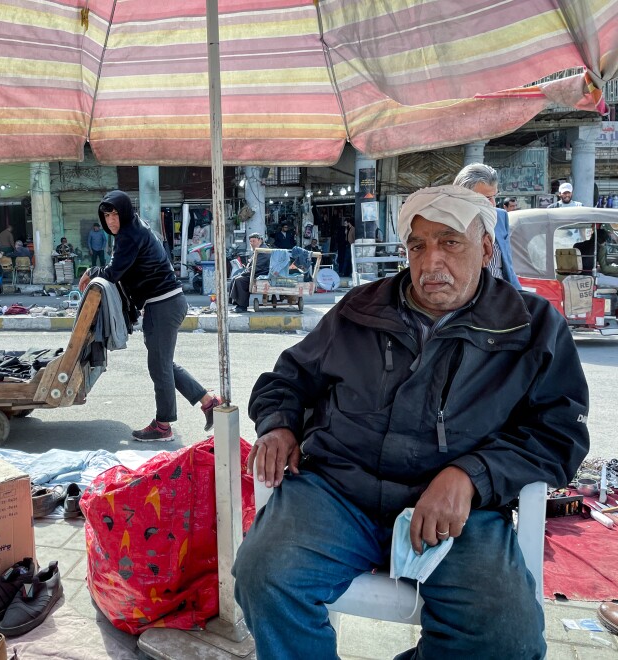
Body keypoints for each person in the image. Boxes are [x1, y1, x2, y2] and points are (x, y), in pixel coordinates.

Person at [233, 185, 589, 659]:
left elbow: (559, 432)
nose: (431, 261)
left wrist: (472, 475)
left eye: (450, 242)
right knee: (265, 575)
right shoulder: (360, 310)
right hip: (340, 491)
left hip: (459, 513)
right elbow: (289, 378)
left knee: (507, 638)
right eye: (418, 246)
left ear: (485, 248)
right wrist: (278, 424)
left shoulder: (530, 324)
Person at [78, 190, 219, 442]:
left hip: (162, 305)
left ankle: (163, 426)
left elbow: (113, 272)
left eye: (115, 214)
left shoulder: (129, 235)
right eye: (106, 215)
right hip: (167, 303)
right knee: (164, 363)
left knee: (159, 366)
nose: (111, 220)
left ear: (125, 213)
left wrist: (90, 271)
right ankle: (208, 402)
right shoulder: (135, 228)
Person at [453, 163, 522, 289]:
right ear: (463, 197)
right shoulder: (449, 222)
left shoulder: (501, 217)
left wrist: (519, 296)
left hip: (500, 295)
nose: (493, 204)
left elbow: (508, 266)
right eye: (486, 198)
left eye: (494, 196)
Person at [229, 233, 270, 313]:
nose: (251, 243)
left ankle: (242, 306)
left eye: (253, 241)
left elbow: (257, 266)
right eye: (250, 242)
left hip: (260, 273)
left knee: (240, 280)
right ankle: (237, 304)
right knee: (235, 278)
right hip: (255, 272)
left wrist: (244, 273)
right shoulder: (258, 250)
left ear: (260, 240)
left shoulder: (263, 251)